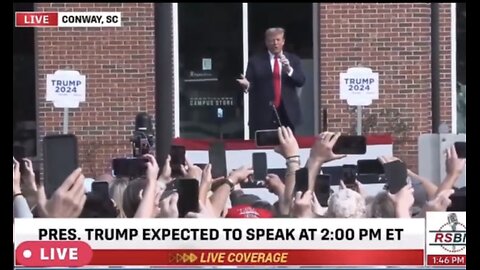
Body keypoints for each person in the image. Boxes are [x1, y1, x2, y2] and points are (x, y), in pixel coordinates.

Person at [237, 27, 305, 138]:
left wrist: (289, 70)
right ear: (266, 42)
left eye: (278, 40)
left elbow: (301, 81)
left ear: (283, 41)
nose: (275, 43)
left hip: (287, 113)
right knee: (264, 147)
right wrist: (247, 85)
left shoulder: (293, 60)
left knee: (288, 145)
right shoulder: (255, 61)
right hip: (264, 113)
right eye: (271, 40)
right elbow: (251, 84)